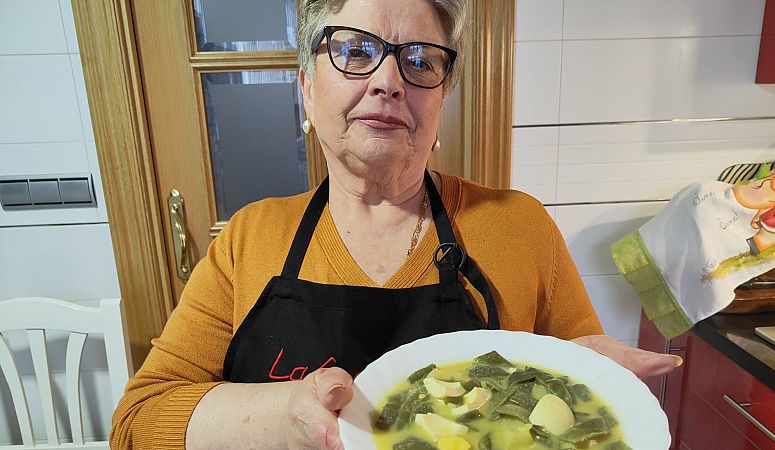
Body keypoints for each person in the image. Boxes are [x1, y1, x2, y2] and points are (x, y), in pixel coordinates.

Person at [110, 0, 681, 448]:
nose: (389, 81)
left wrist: (593, 391)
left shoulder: (520, 228)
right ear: (306, 87)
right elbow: (138, 422)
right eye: (355, 51)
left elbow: (581, 392)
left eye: (419, 60)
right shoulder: (249, 239)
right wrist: (287, 415)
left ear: (442, 97)